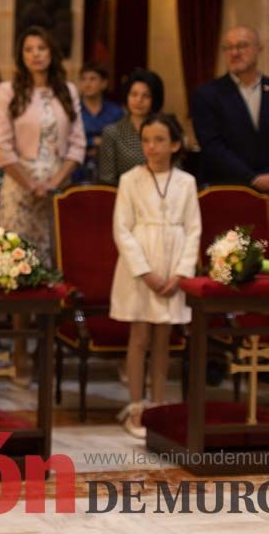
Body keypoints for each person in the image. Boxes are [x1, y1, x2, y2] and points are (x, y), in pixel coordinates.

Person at [109, 113, 201, 439]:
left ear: (175, 144)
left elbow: (193, 230)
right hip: (140, 268)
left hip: (172, 265)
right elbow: (122, 228)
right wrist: (145, 271)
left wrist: (180, 273)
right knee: (140, 337)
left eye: (159, 140)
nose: (151, 146)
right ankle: (136, 405)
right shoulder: (130, 179)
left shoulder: (186, 182)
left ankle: (158, 404)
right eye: (146, 140)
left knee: (164, 338)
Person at [0, 26, 86, 259]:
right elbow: (2, 145)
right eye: (29, 49)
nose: (36, 54)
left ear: (51, 52)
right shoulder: (8, 91)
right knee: (17, 259)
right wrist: (31, 184)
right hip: (19, 184)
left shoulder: (68, 90)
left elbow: (78, 143)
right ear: (21, 56)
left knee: (54, 256)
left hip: (58, 185)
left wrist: (54, 183)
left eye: (41, 48)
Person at [190, 26, 269, 198]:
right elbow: (212, 146)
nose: (234, 52)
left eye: (242, 46)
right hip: (228, 191)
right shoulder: (206, 94)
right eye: (228, 47)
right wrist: (253, 179)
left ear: (259, 49)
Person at [98, 69, 165, 186]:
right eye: (134, 94)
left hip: (162, 195)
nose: (139, 100)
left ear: (154, 99)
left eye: (146, 96)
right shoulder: (112, 132)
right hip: (125, 198)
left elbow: (175, 170)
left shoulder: (165, 130)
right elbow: (107, 179)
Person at [76, 63, 123, 182]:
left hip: (109, 170)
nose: (87, 84)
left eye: (92, 79)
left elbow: (121, 142)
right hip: (77, 169)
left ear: (104, 83)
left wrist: (97, 144)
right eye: (83, 79)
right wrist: (94, 141)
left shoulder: (116, 111)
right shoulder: (73, 110)